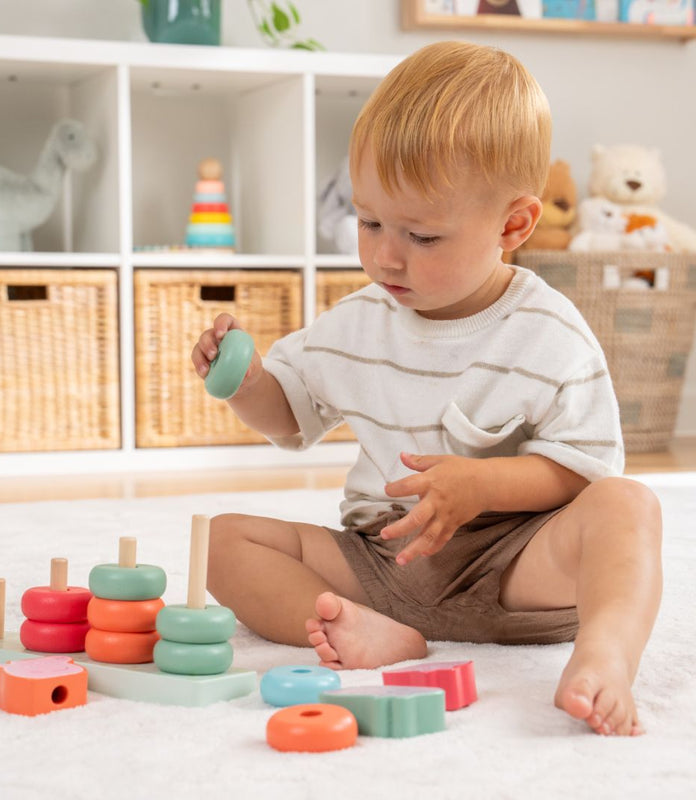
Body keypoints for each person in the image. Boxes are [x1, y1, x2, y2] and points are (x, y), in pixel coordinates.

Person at [191, 41, 662, 737]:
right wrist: (247, 381)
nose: (385, 255)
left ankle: (606, 655)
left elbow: (585, 469)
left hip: (514, 563)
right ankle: (366, 629)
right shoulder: (359, 321)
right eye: (370, 222)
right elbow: (288, 415)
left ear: (513, 225)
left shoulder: (547, 331)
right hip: (382, 562)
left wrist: (483, 485)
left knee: (628, 507)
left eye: (422, 236)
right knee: (221, 542)